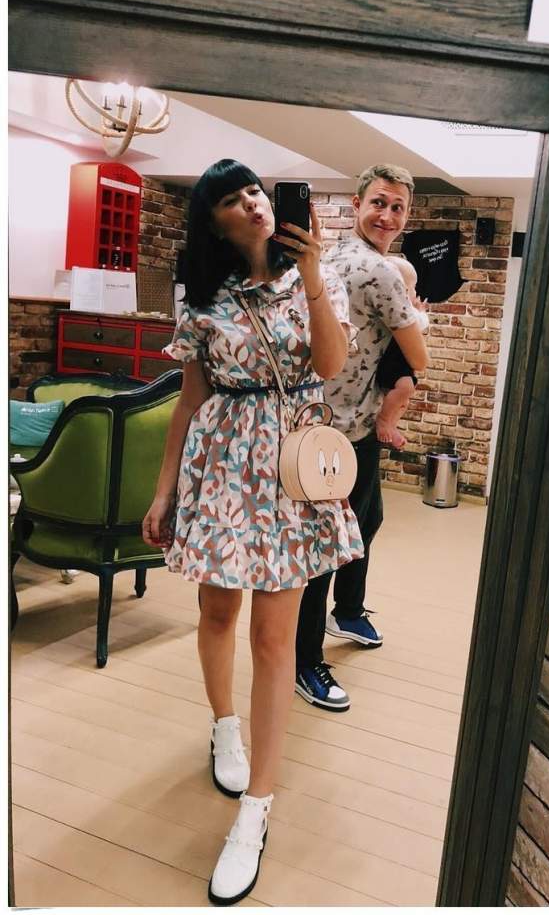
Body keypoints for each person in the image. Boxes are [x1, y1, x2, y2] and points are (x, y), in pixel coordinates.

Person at [142, 159, 363, 906]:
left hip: (291, 471)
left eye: (256, 191)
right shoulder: (205, 300)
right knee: (216, 612)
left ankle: (256, 808)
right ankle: (223, 726)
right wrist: (165, 490)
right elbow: (189, 399)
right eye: (234, 198)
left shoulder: (311, 278)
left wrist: (313, 274)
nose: (253, 202)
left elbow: (330, 366)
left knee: (275, 641)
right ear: (213, 221)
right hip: (221, 465)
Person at [294, 164, 428, 712]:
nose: (387, 215)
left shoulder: (328, 257)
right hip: (337, 433)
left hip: (343, 422)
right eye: (378, 202)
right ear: (357, 204)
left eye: (397, 207)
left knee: (365, 522)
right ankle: (305, 662)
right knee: (325, 549)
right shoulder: (379, 271)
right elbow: (419, 356)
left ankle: (347, 612)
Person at [375, 256, 429, 450]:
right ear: (403, 290)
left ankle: (392, 425)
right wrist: (421, 312)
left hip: (400, 362)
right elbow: (420, 324)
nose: (415, 292)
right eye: (413, 288)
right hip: (393, 362)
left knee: (403, 402)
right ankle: (383, 420)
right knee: (406, 390)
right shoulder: (401, 307)